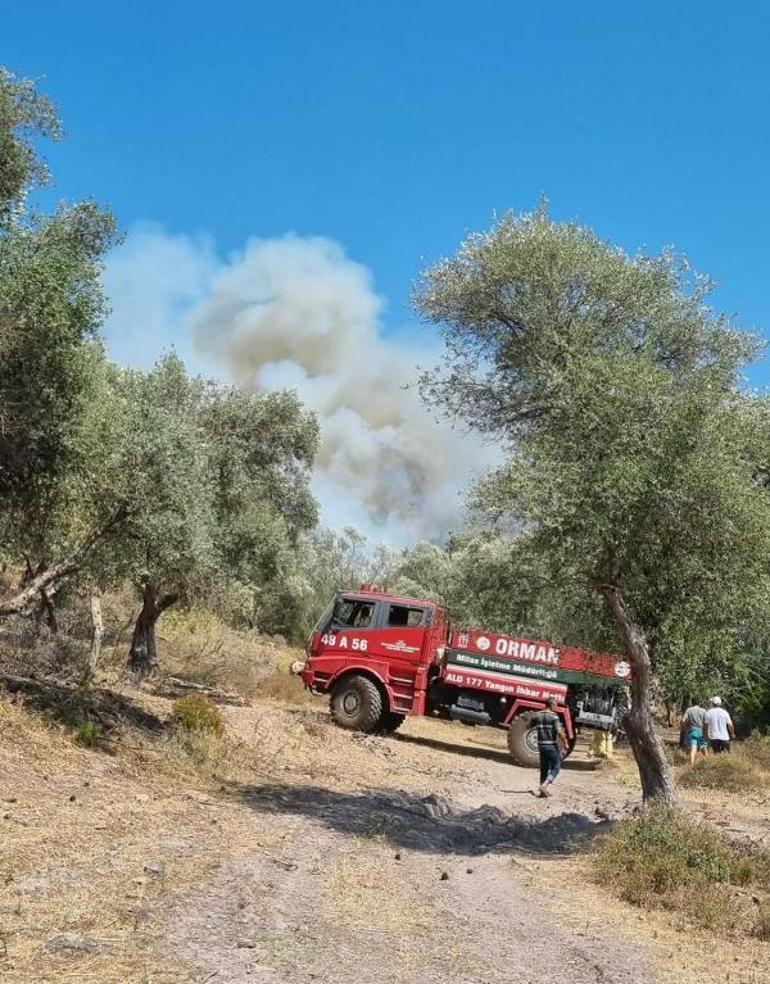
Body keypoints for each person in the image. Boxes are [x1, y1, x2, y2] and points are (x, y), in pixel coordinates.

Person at [534, 696, 569, 797]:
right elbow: (559, 731)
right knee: (556, 766)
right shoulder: (554, 717)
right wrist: (565, 742)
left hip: (541, 745)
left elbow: (529, 725)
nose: (556, 708)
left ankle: (542, 792)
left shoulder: (537, 715)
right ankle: (544, 786)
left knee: (544, 768)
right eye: (556, 706)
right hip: (551, 746)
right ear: (552, 705)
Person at [681, 699, 708, 765]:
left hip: (692, 730)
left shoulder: (689, 710)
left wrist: (685, 727)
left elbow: (683, 720)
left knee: (693, 748)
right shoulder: (703, 710)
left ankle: (692, 764)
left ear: (692, 703)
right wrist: (705, 730)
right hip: (701, 730)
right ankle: (708, 762)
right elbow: (706, 722)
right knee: (704, 747)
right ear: (699, 703)